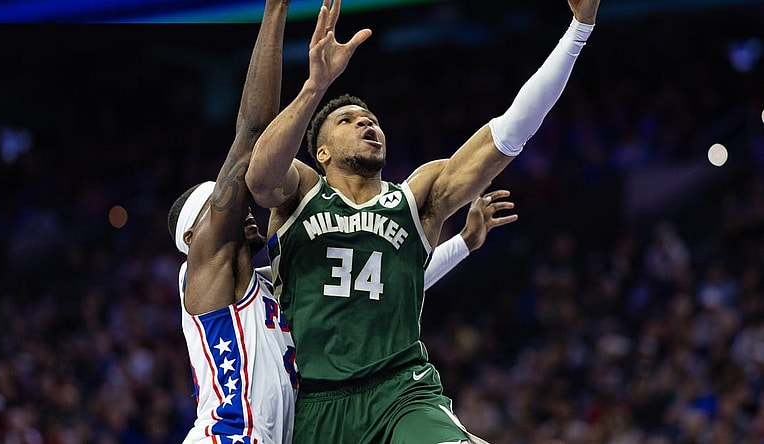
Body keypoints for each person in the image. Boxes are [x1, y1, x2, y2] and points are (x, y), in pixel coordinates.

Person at [245, 0, 601, 441]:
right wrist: (315, 87)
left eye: (371, 119)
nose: (366, 123)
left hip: (401, 392)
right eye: (349, 121)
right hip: (313, 403)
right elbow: (258, 176)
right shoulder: (300, 191)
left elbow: (510, 131)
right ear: (322, 152)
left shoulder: (418, 197)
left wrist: (579, 29)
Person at [166, 1, 295, 442]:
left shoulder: (268, 286)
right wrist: (276, 10)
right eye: (218, 209)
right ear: (193, 236)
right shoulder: (204, 270)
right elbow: (253, 131)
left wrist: (463, 246)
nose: (241, 211)